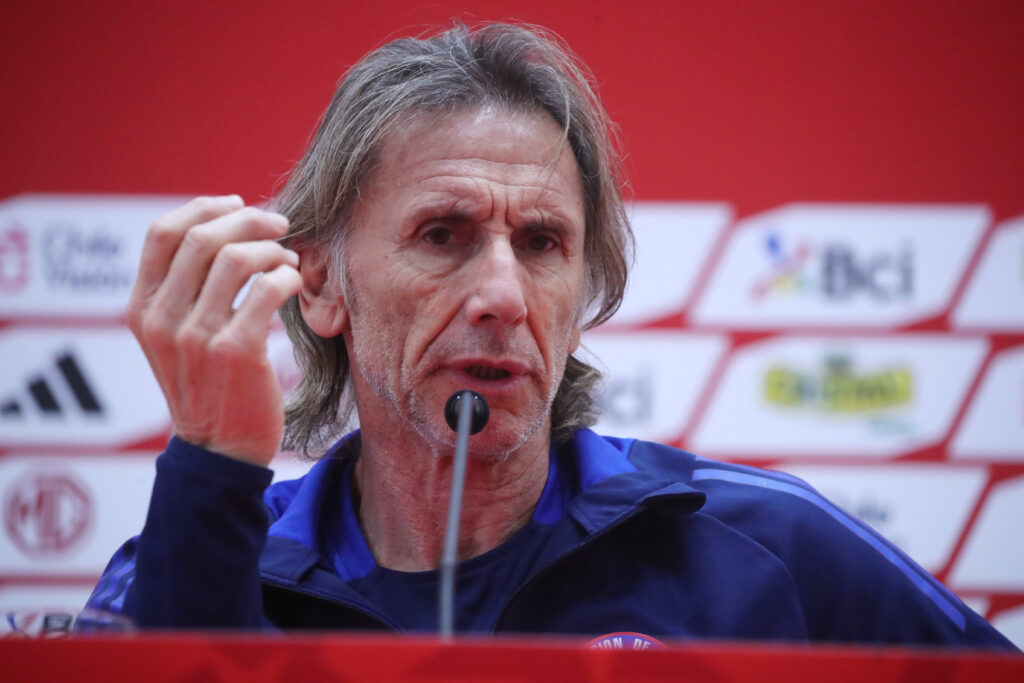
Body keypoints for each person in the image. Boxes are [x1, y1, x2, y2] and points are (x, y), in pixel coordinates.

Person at [86, 22, 1015, 648]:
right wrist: (211, 464)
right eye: (442, 234)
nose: (501, 292)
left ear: (583, 299)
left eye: (542, 244)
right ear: (322, 284)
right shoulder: (194, 558)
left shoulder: (770, 546)